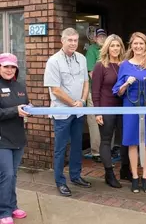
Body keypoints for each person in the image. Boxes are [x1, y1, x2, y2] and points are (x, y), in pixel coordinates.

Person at [113, 32, 146, 193]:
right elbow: (118, 91)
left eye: (141, 44)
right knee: (132, 142)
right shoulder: (125, 65)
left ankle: (145, 177)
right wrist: (125, 84)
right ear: (131, 46)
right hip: (130, 107)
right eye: (135, 44)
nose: (138, 46)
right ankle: (135, 177)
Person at [44, 27, 91, 197]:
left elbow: (86, 82)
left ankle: (76, 176)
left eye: (75, 40)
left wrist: (83, 101)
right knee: (61, 148)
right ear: (62, 41)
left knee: (77, 146)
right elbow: (55, 90)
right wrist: (73, 103)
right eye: (69, 40)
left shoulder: (82, 58)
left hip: (78, 111)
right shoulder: (53, 61)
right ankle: (60, 181)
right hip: (62, 112)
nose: (73, 43)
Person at [92, 34, 131, 188]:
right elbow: (95, 91)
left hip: (124, 107)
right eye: (112, 46)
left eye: (118, 46)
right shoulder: (100, 65)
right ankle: (109, 174)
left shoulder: (126, 65)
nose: (115, 48)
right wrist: (98, 112)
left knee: (125, 140)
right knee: (107, 140)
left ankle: (125, 169)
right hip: (106, 107)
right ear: (107, 48)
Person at [0, 53, 30, 224]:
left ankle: (12, 206)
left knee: (13, 175)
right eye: (6, 66)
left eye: (12, 67)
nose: (9, 70)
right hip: (2, 138)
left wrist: (29, 109)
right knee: (7, 175)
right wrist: (15, 110)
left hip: (18, 138)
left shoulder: (19, 86)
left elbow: (24, 104)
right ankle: (3, 211)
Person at [86, 28, 107, 162]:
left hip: (106, 92)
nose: (102, 38)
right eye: (99, 36)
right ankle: (96, 152)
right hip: (94, 90)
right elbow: (91, 73)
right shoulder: (92, 50)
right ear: (95, 38)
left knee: (106, 120)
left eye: (104, 36)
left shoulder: (108, 49)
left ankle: (106, 148)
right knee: (94, 121)